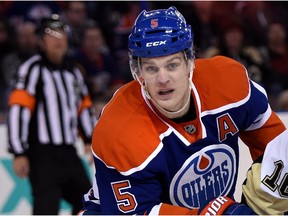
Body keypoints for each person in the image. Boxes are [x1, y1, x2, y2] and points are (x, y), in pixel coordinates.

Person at [79, 6, 288, 215]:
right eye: (151, 68)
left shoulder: (227, 82)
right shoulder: (119, 130)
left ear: (189, 62)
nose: (162, 79)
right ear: (138, 72)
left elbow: (276, 148)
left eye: (172, 65)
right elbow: (139, 212)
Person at [7, 14, 95, 215]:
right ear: (40, 40)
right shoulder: (32, 69)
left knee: (88, 203)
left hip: (68, 151)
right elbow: (18, 109)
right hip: (41, 154)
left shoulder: (74, 72)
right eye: (51, 33)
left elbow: (83, 107)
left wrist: (90, 139)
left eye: (62, 33)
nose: (58, 39)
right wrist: (18, 151)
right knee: (46, 207)